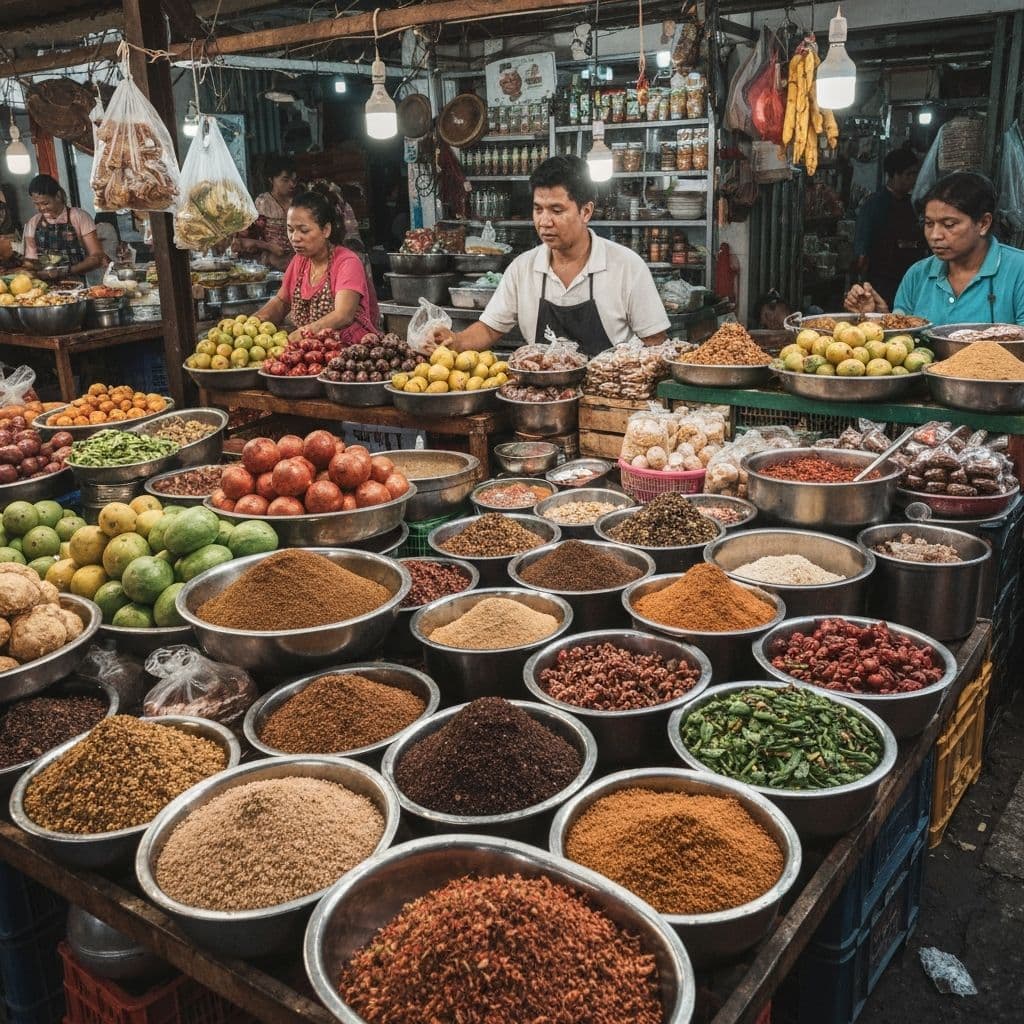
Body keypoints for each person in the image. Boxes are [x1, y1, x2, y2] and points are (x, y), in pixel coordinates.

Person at [432, 155, 670, 355]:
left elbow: (655, 342)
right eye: (538, 209)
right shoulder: (523, 268)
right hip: (543, 399)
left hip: (607, 398)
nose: (544, 222)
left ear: (586, 211)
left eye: (557, 210)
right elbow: (489, 329)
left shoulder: (626, 266)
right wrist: (455, 341)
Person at [845, 172, 1024, 325]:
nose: (935, 235)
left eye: (949, 224)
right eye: (929, 224)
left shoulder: (1018, 270)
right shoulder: (918, 275)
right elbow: (903, 346)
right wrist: (880, 319)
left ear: (983, 223)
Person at [253, 191, 379, 344]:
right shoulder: (299, 261)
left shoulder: (347, 262)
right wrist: (253, 324)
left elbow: (343, 314)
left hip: (349, 353)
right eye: (290, 230)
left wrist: (305, 333)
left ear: (325, 230)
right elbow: (281, 301)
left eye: (303, 230)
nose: (295, 238)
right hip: (311, 353)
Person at [851, 148, 927, 308]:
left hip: (911, 279)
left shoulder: (915, 205)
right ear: (893, 175)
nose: (913, 179)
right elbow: (861, 251)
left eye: (915, 174)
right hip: (882, 282)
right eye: (909, 174)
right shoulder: (873, 204)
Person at [21, 174, 106, 281]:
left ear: (58, 196)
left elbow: (97, 256)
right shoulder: (33, 223)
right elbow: (30, 260)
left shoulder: (79, 217)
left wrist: (66, 271)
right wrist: (30, 269)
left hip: (79, 282)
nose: (41, 208)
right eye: (37, 204)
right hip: (46, 285)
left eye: (45, 203)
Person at [237, 157, 297, 270]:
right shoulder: (263, 203)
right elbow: (245, 240)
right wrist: (269, 246)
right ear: (271, 180)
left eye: (294, 180)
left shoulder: (299, 202)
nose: (291, 185)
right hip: (272, 265)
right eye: (285, 180)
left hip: (297, 264)